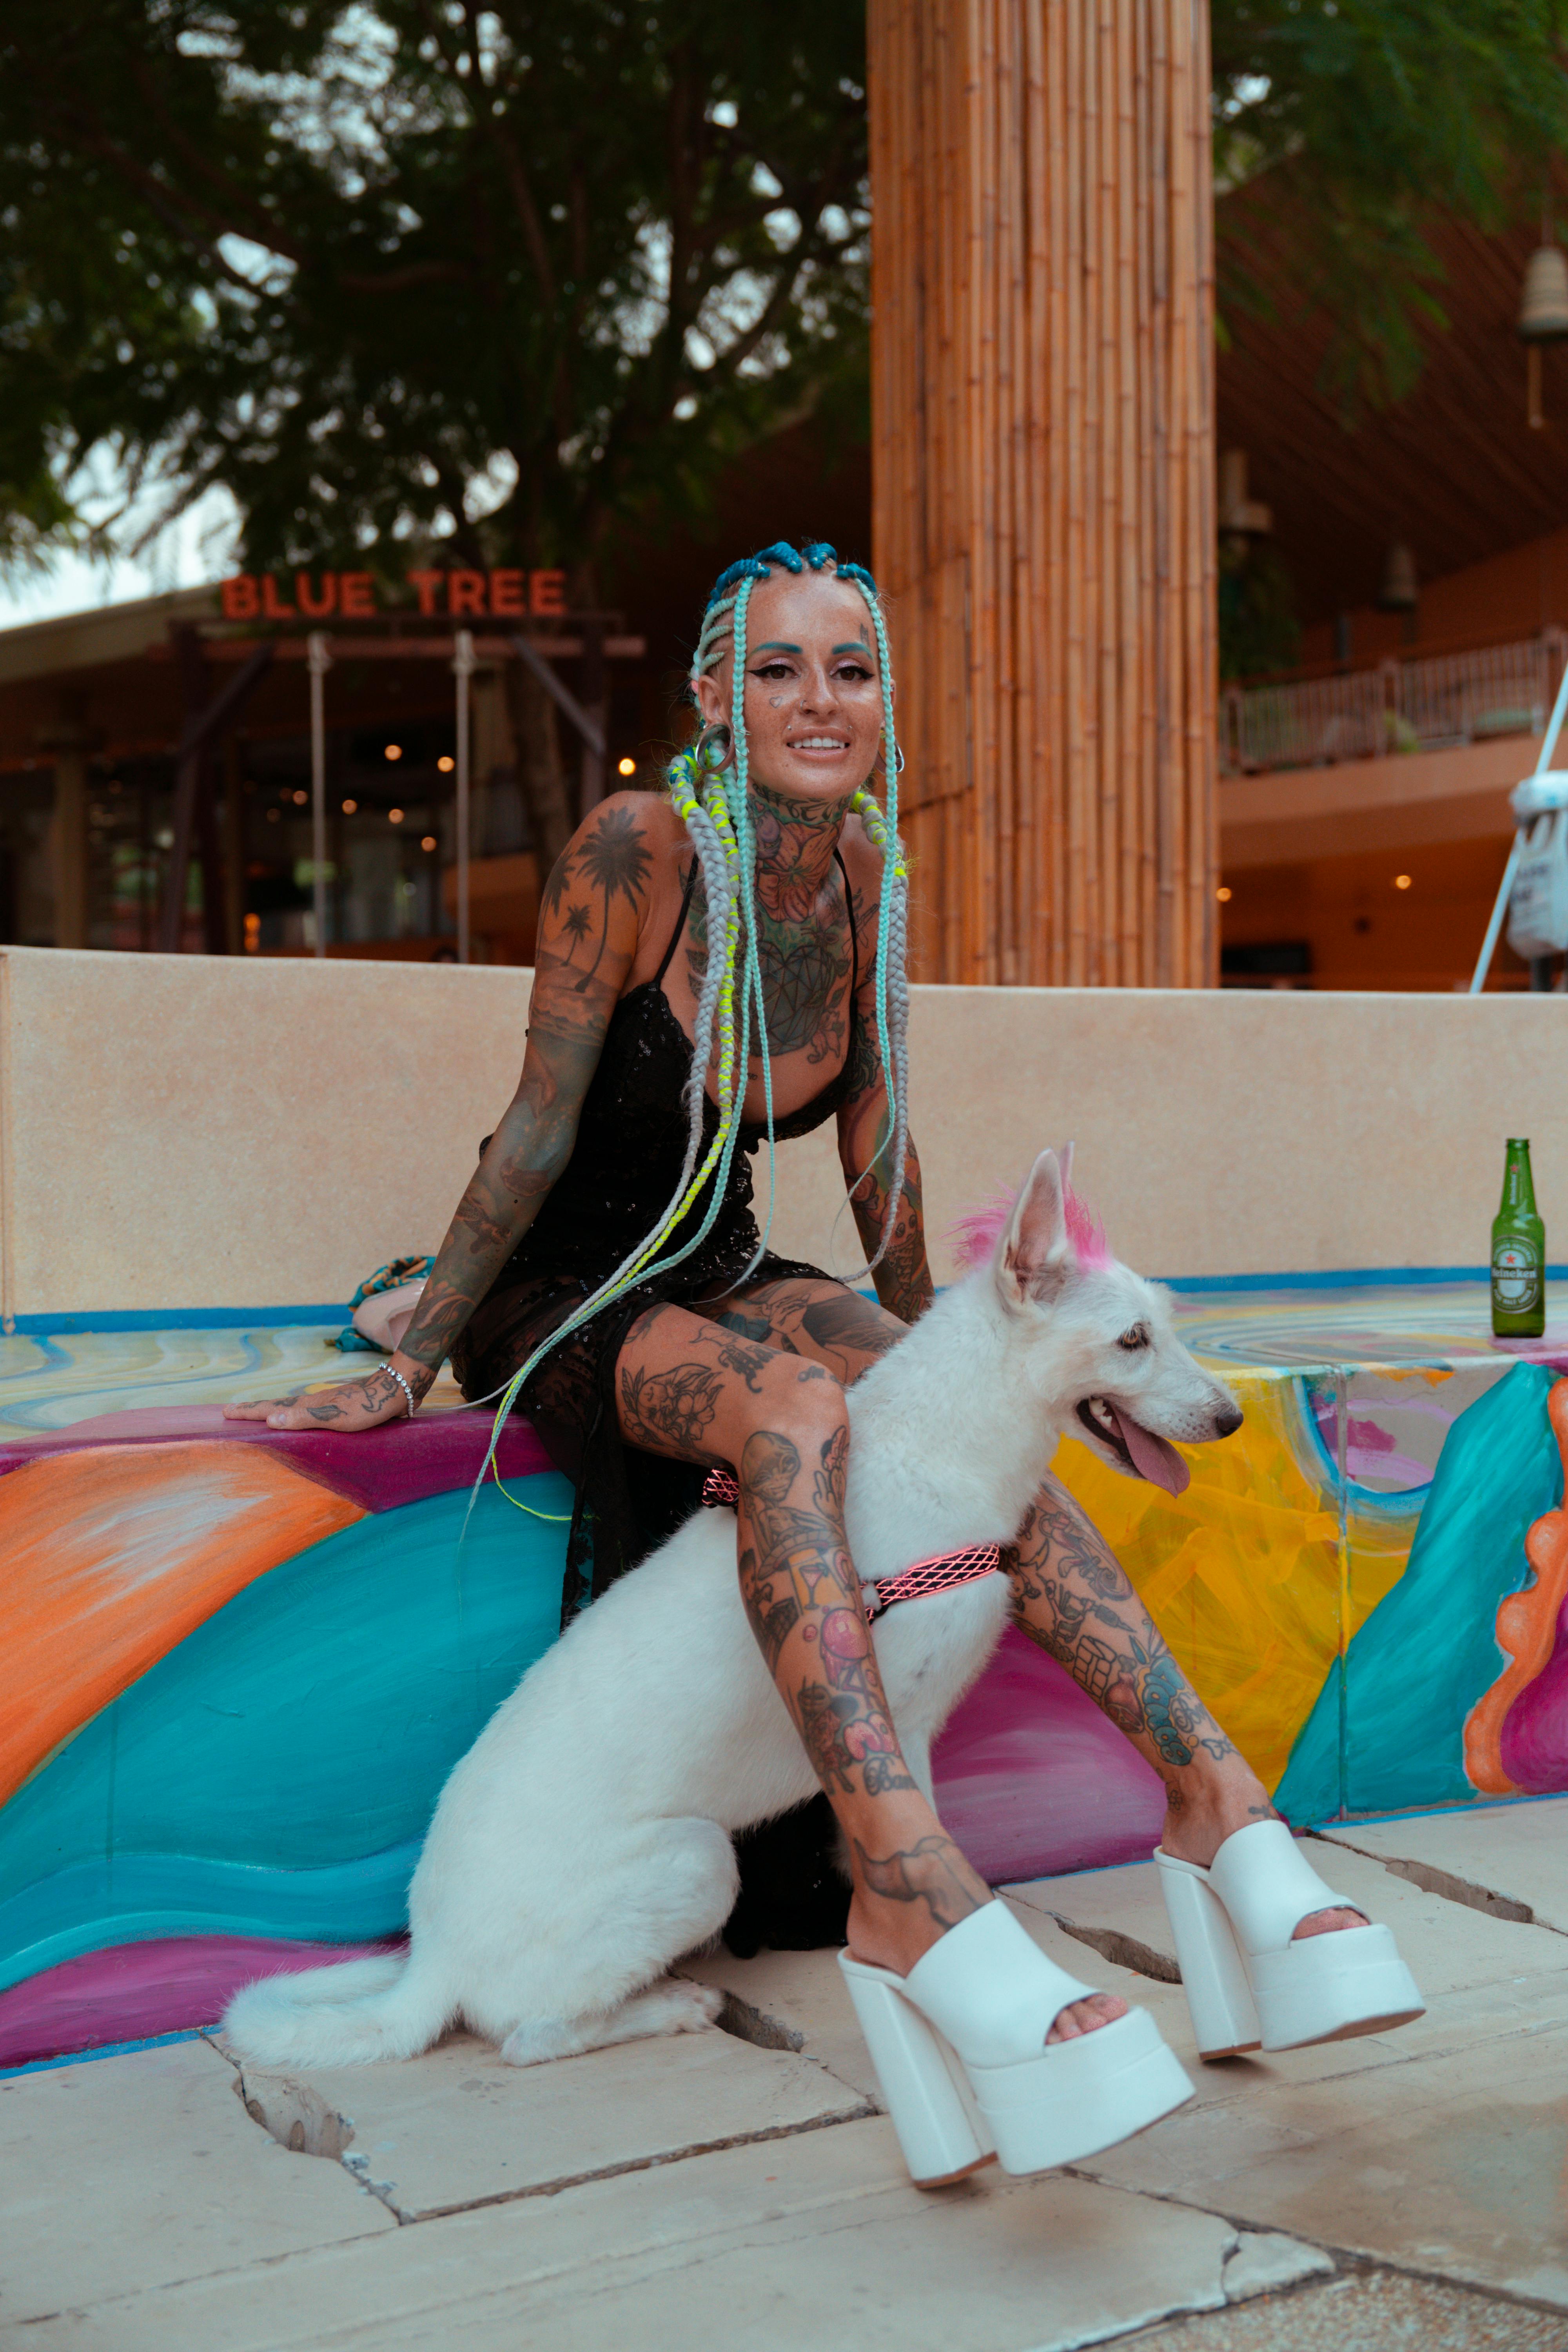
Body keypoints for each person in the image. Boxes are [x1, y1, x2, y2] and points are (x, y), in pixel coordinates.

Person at [227, 540, 1372, 2138]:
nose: (818, 699)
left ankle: (1215, 1803)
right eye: (778, 666)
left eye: (849, 668)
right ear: (713, 692)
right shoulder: (638, 847)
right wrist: (416, 1354)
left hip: (722, 1259)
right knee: (789, 1417)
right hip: (565, 1292)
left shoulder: (866, 876)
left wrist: (954, 1355)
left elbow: (880, 1160)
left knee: (980, 1411)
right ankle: (900, 1872)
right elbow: (538, 1125)